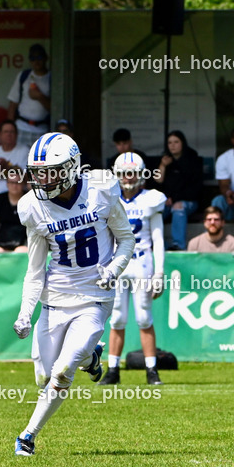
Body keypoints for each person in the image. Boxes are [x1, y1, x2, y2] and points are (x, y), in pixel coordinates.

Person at [12, 132, 135, 456]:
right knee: (43, 376)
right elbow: (36, 270)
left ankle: (27, 436)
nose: (43, 178)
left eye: (50, 171)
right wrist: (25, 312)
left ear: (70, 166)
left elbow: (126, 239)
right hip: (55, 299)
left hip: (94, 295)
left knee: (63, 371)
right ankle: (92, 356)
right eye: (38, 171)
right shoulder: (33, 207)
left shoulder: (101, 189)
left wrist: (113, 270)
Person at [101, 152, 167, 386]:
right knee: (117, 318)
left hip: (142, 262)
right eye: (124, 173)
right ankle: (112, 370)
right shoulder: (110, 199)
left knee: (143, 317)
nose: (128, 178)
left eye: (132, 173)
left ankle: (151, 370)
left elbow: (158, 240)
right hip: (118, 264)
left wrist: (160, 272)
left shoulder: (151, 199)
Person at [153, 130, 203, 251]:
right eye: (170, 143)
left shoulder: (193, 160)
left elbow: (195, 188)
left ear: (183, 143)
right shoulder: (165, 160)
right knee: (153, 213)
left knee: (178, 208)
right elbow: (158, 182)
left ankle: (179, 246)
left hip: (188, 201)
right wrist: (163, 166)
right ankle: (160, 247)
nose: (173, 145)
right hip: (168, 201)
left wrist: (175, 198)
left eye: (176, 142)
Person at [7, 43, 51, 148]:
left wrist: (39, 96)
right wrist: (9, 130)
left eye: (39, 57)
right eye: (33, 58)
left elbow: (55, 108)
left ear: (46, 58)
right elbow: (13, 104)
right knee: (19, 162)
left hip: (42, 129)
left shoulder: (52, 78)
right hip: (21, 127)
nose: (36, 61)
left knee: (40, 163)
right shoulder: (24, 76)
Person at [0, 120, 29, 206]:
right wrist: (0, 171)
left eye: (12, 132)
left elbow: (27, 180)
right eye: (6, 132)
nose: (9, 134)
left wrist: (8, 168)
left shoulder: (24, 151)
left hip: (18, 196)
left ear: (17, 134)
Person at [0, 170, 29, 253]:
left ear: (23, 184)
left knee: (20, 251)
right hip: (3, 240)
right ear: (7, 184)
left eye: (18, 182)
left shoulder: (29, 199)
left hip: (24, 240)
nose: (14, 185)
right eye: (11, 182)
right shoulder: (0, 199)